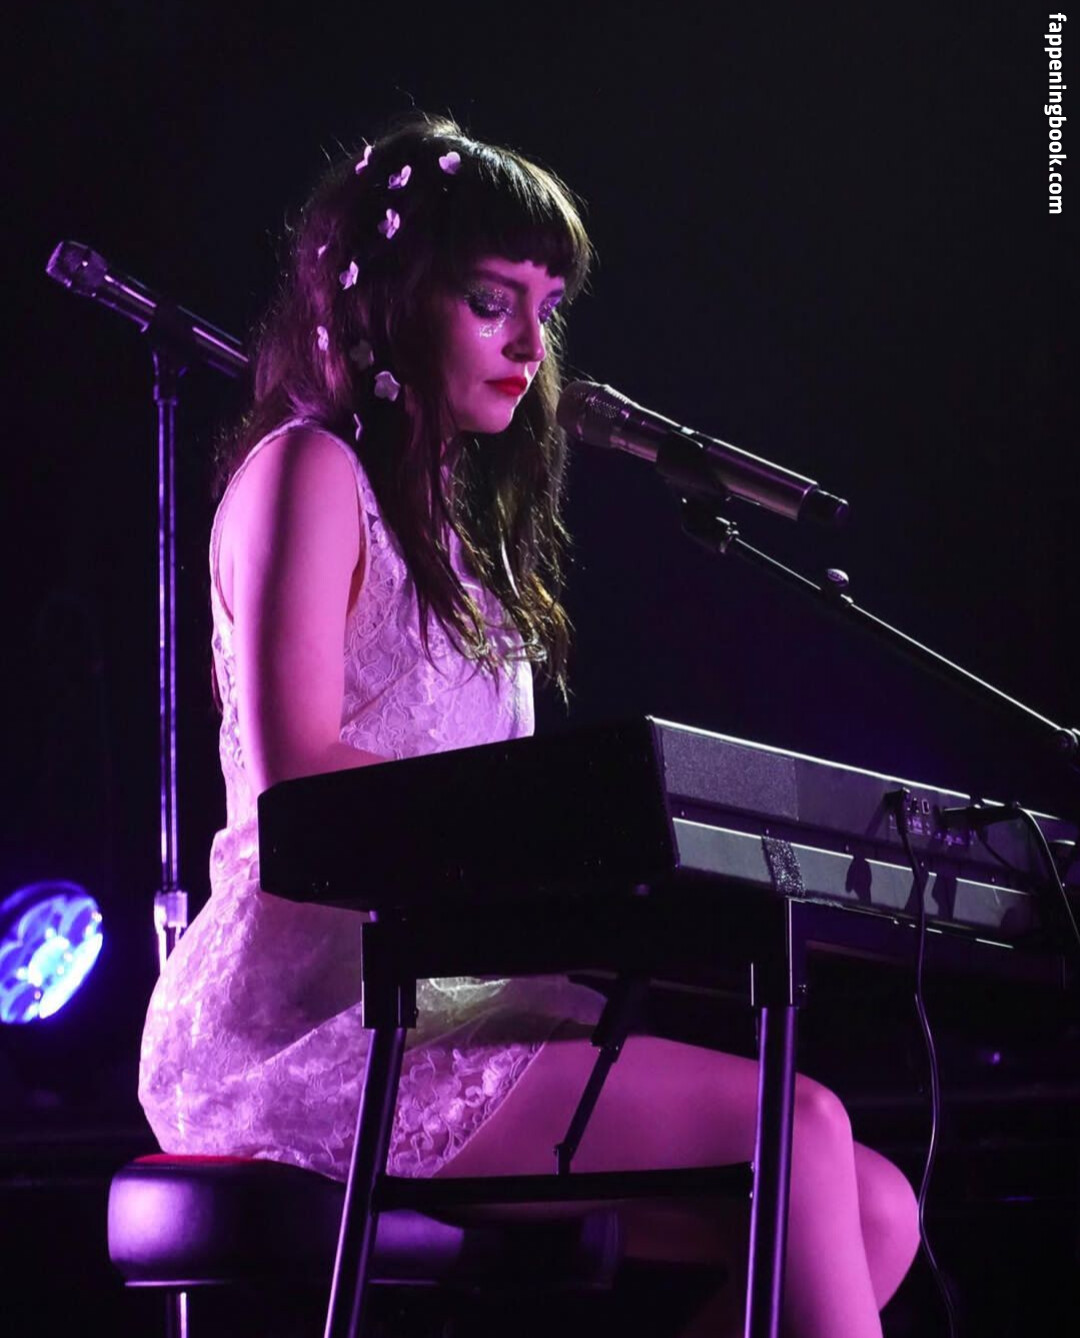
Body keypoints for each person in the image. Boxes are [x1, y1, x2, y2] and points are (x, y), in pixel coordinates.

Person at [138, 112, 919, 1337]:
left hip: (449, 994)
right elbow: (301, 790)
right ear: (393, 299)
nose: (528, 344)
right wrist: (555, 838)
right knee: (804, 1130)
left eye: (545, 309)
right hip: (308, 1030)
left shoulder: (460, 531)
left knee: (875, 1207)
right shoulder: (308, 471)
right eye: (491, 301)